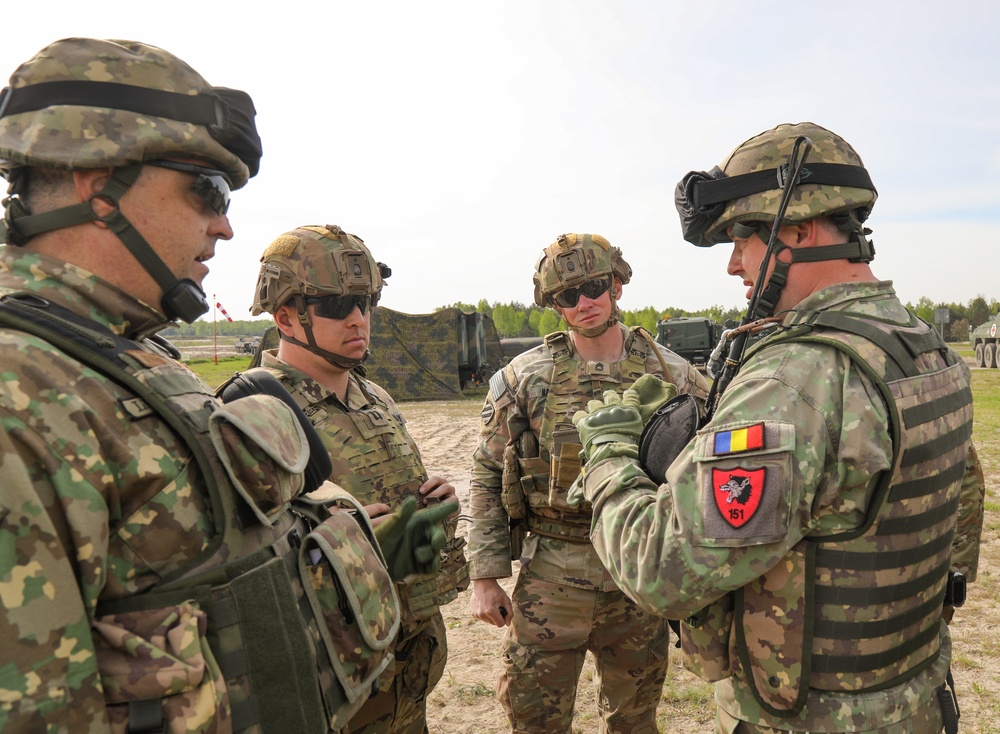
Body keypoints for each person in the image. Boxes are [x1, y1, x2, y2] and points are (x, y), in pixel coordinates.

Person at [0, 38, 449, 733]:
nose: (225, 225)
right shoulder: (21, 392)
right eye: (206, 190)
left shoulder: (126, 362)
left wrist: (359, 545)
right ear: (99, 185)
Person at [570, 122, 986, 733]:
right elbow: (961, 512)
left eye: (742, 237)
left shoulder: (798, 375)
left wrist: (607, 452)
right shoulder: (921, 347)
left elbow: (659, 568)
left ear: (799, 229)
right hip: (916, 697)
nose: (735, 264)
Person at [466, 232, 711, 734]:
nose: (584, 303)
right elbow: (489, 473)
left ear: (617, 285)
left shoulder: (675, 373)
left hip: (637, 567)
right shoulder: (524, 378)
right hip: (553, 568)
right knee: (534, 717)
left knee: (635, 718)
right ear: (554, 305)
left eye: (594, 286)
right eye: (567, 296)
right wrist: (485, 576)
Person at [243, 222, 470, 734]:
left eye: (365, 303)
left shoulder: (376, 398)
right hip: (335, 674)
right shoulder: (253, 412)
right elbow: (245, 572)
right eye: (335, 306)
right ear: (285, 316)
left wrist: (436, 502)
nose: (358, 319)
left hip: (405, 659)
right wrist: (345, 545)